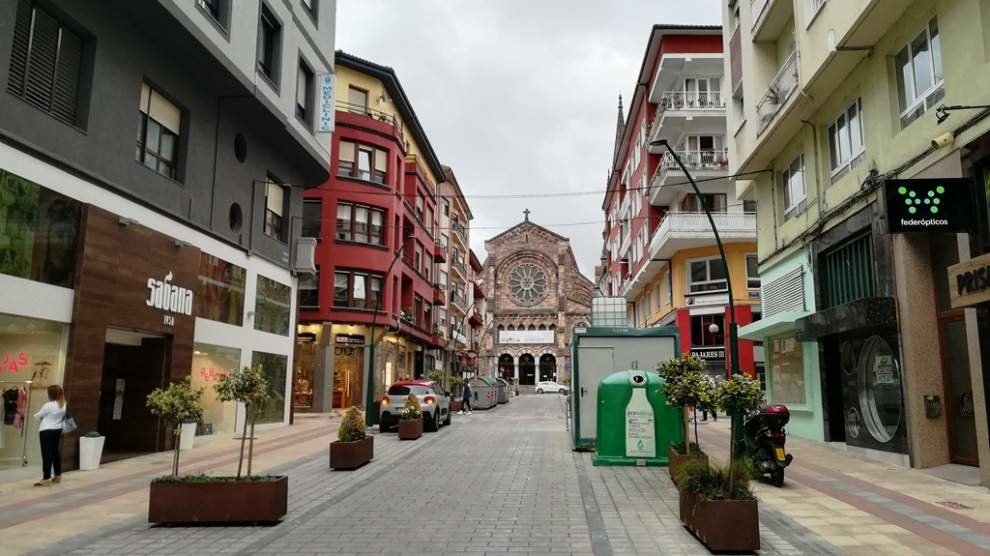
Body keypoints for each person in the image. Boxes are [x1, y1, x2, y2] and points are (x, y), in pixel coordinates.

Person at [34, 385, 66, 486]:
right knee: (54, 452)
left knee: (46, 453)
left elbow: (37, 415)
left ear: (51, 394)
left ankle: (46, 478)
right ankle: (57, 475)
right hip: (57, 430)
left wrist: (41, 417)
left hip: (46, 430)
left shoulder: (49, 405)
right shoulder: (63, 404)